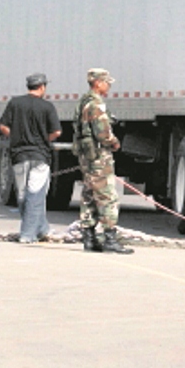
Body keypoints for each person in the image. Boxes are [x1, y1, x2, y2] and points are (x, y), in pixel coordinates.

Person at [73, 68, 133, 254]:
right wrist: (114, 142)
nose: (108, 86)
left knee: (89, 195)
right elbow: (103, 133)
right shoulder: (96, 104)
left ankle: (89, 237)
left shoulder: (83, 102)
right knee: (108, 196)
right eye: (107, 83)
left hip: (87, 156)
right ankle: (109, 238)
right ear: (98, 83)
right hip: (99, 157)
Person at [0, 72, 62, 244]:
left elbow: (3, 126)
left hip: (19, 155)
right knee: (36, 194)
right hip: (40, 155)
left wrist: (15, 136)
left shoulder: (15, 103)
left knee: (22, 195)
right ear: (42, 87)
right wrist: (44, 139)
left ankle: (42, 229)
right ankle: (28, 234)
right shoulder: (47, 106)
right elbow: (56, 132)